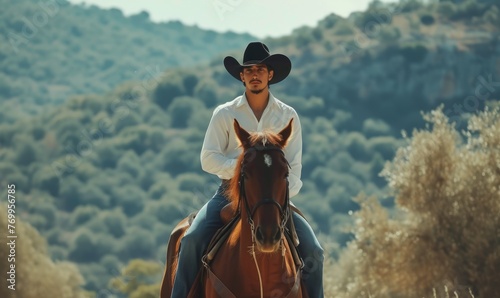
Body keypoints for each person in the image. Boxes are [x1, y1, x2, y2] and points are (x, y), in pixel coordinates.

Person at [171, 42, 324, 298]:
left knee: (315, 252)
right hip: (228, 193)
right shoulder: (225, 113)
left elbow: (294, 169)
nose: (255, 74)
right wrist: (243, 172)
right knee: (191, 240)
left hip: (275, 199)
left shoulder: (288, 116)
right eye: (249, 70)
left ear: (270, 74)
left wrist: (279, 191)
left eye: (260, 69)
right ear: (241, 76)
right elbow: (208, 158)